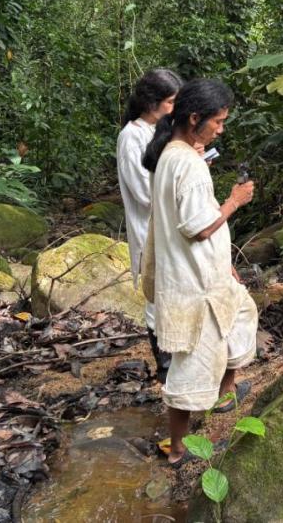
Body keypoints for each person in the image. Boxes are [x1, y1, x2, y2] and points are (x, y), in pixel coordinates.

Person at [141, 79, 258, 466]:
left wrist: (226, 265)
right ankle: (178, 450)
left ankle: (224, 393)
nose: (220, 129)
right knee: (188, 369)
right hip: (194, 284)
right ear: (195, 119)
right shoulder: (186, 164)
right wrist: (234, 201)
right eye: (218, 121)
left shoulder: (174, 155)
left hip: (206, 274)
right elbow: (199, 226)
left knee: (242, 314)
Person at [116, 66, 182, 382]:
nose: (175, 108)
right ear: (151, 102)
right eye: (170, 102)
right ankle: (165, 366)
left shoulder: (160, 132)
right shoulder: (132, 137)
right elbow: (144, 192)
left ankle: (177, 361)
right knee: (157, 296)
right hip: (149, 230)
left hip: (170, 229)